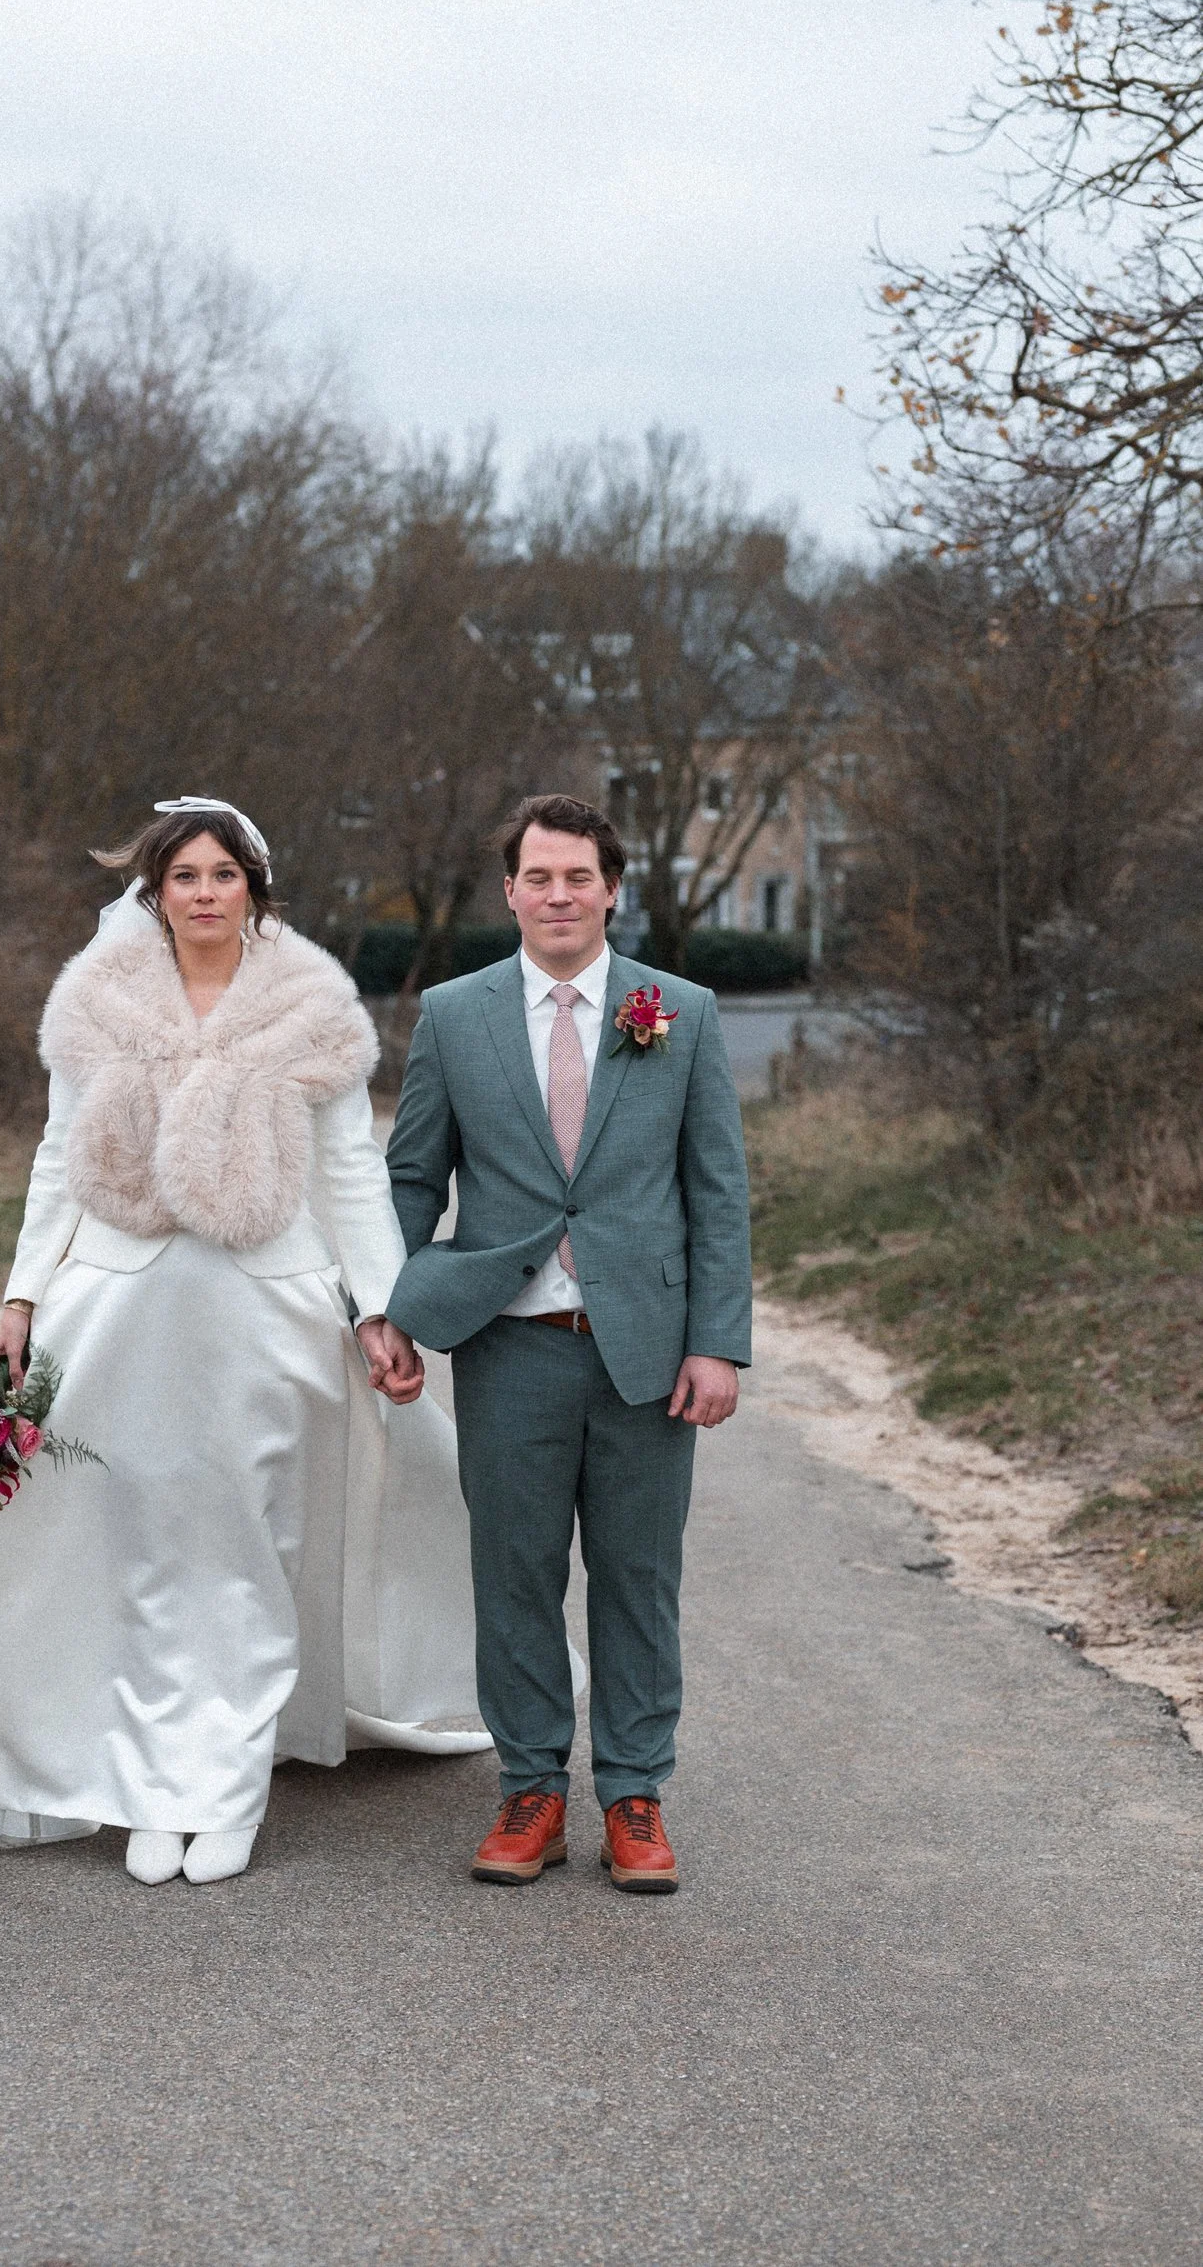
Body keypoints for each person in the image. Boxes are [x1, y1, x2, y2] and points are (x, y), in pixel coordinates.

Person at [0, 798, 487, 1885]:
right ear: (154, 891)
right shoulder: (98, 1002)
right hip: (123, 1309)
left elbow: (347, 1172)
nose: (200, 892)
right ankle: (151, 1783)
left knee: (246, 1547)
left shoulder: (313, 1009)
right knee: (137, 1544)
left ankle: (222, 1784)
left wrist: (379, 1307)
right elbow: (57, 1153)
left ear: (253, 887)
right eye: (180, 875)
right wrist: (20, 1296)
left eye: (219, 874)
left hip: (265, 1312)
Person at [384, 793, 751, 1893]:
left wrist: (717, 1343)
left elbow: (715, 1192)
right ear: (509, 891)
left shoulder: (674, 1009)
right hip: (507, 1344)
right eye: (537, 878)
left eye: (577, 877)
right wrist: (389, 1311)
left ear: (609, 887)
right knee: (514, 1574)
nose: (557, 895)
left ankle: (633, 1793)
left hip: (643, 1348)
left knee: (638, 1579)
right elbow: (410, 1176)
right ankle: (529, 1788)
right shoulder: (453, 1015)